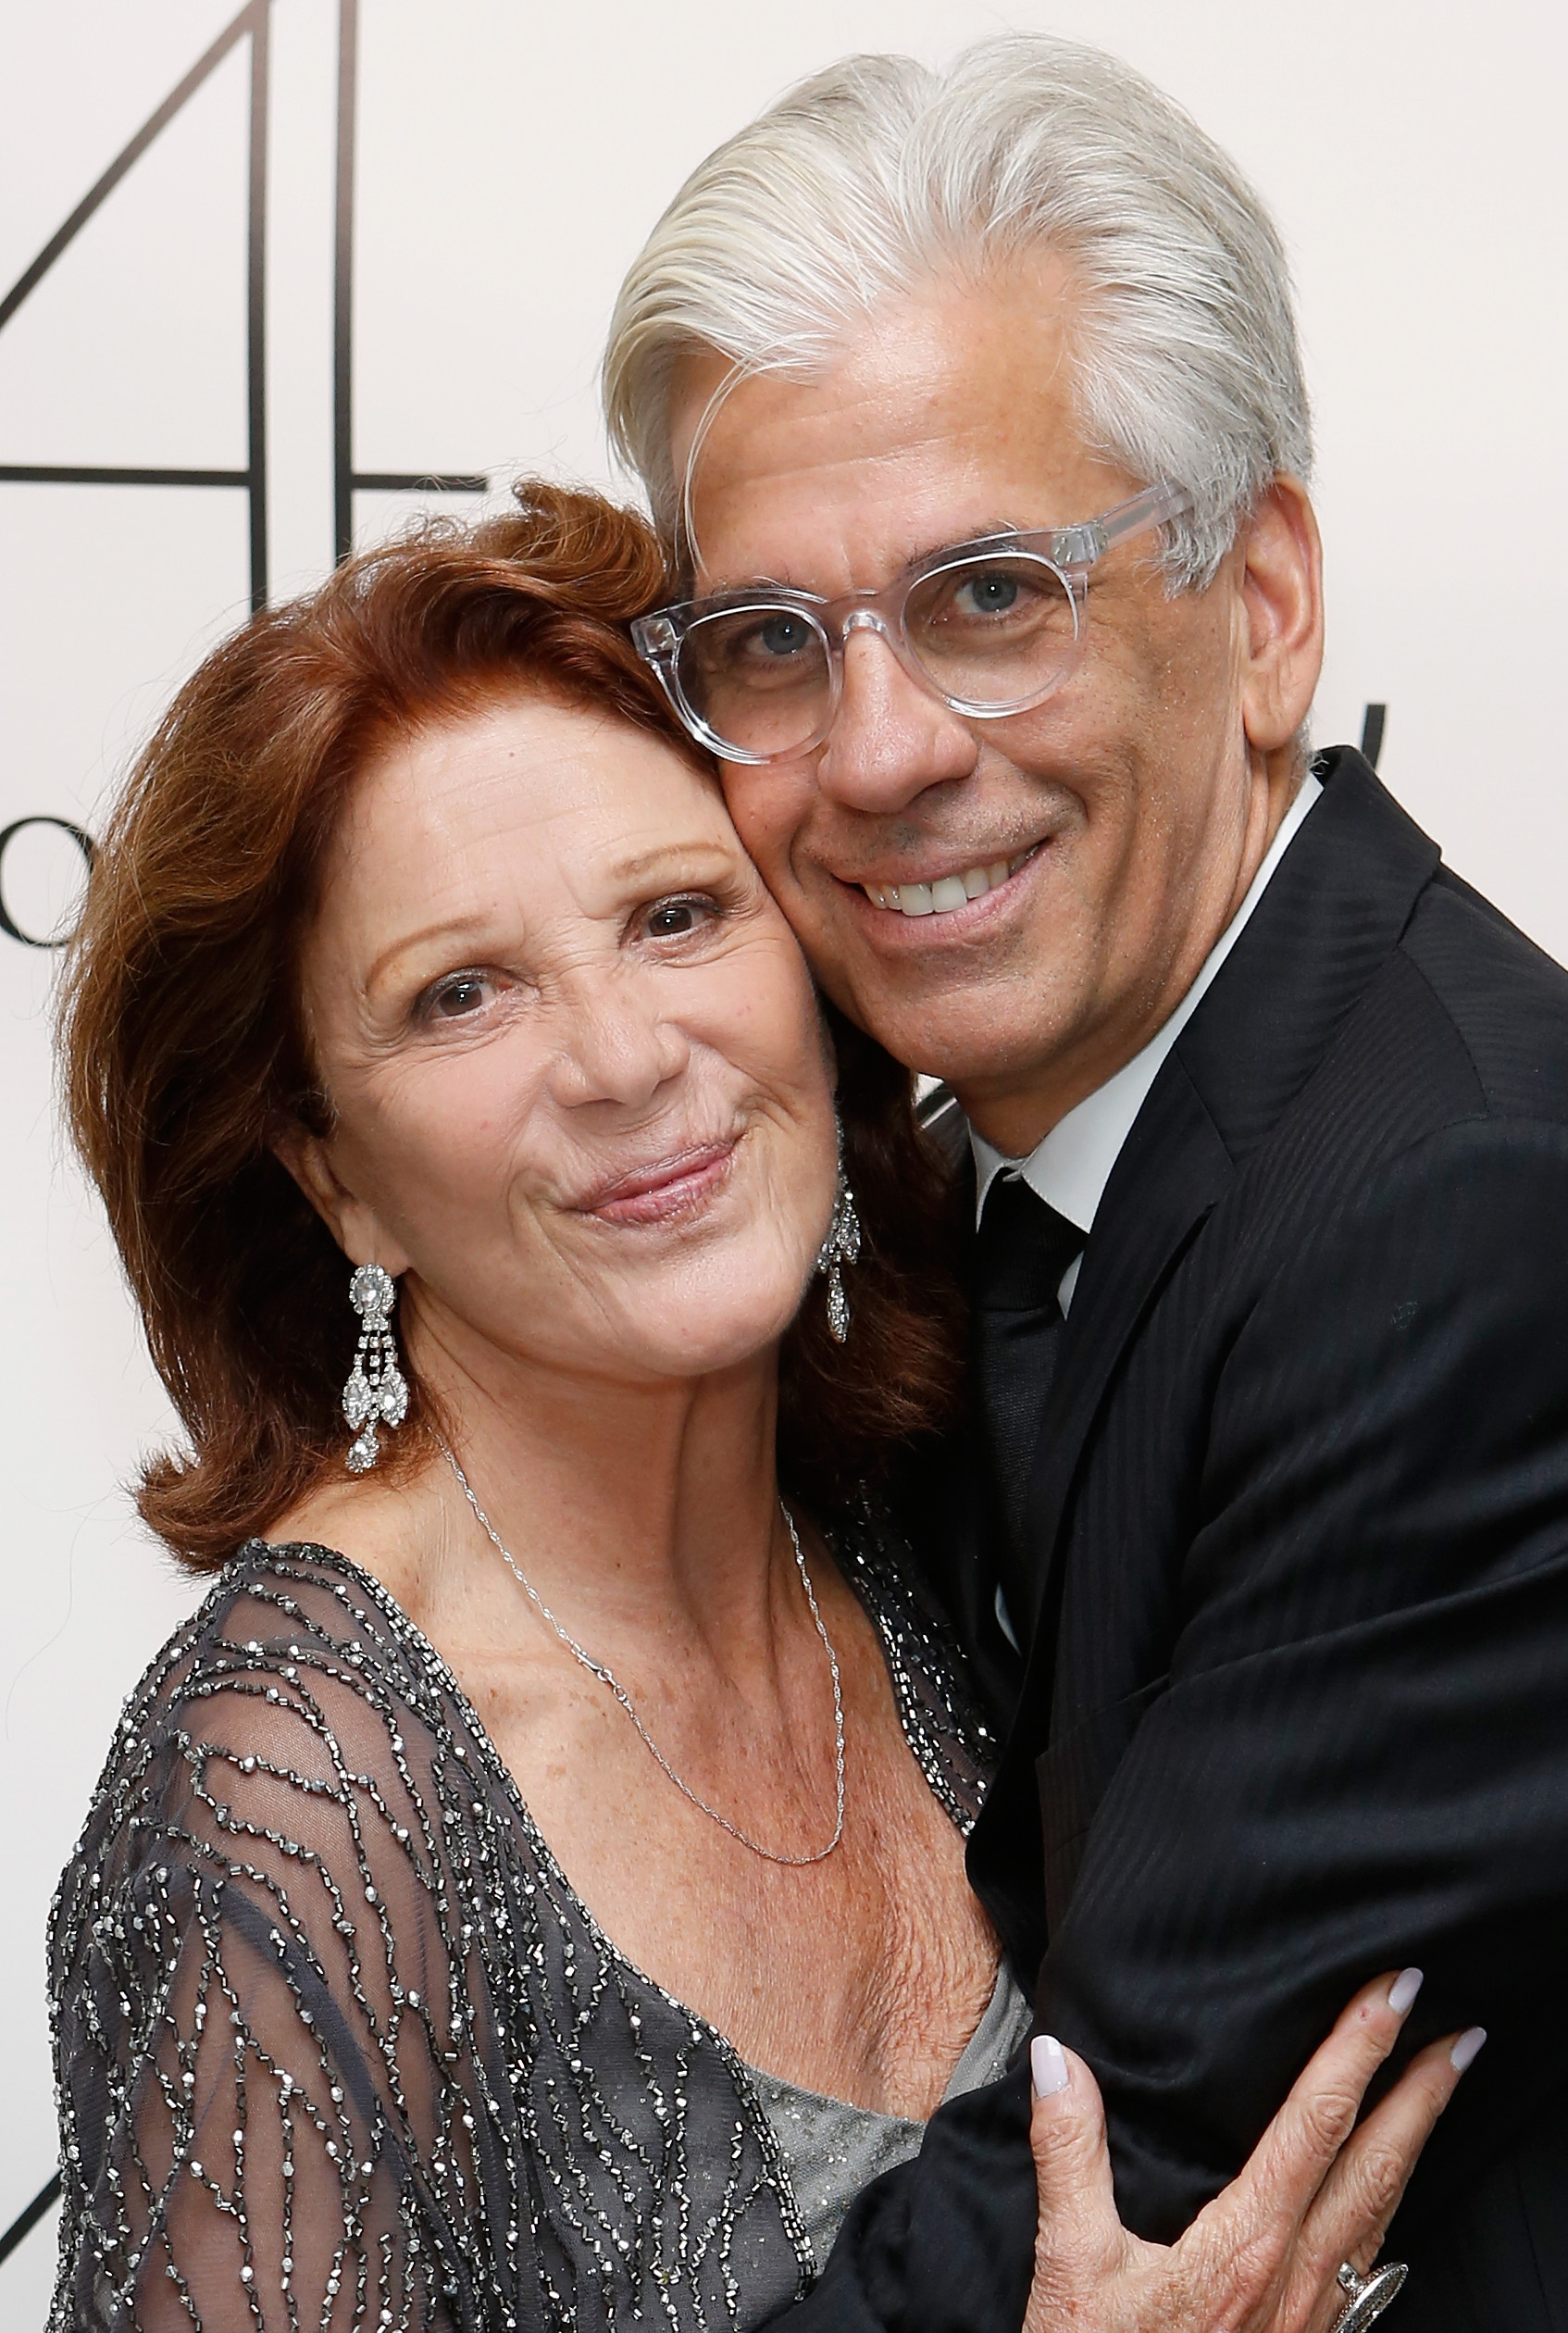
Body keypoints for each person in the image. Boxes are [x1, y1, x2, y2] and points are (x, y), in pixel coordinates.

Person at [47, 490, 1462, 2332]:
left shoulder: (945, 1519)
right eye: (461, 995)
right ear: (338, 1182)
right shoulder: (294, 1791)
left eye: (678, 913)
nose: (627, 1060)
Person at [603, 32, 1568, 2333]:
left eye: (989, 599)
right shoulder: (946, 1168)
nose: (879, 756)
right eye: (770, 643)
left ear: (1259, 611)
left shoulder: (1457, 1212)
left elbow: (1107, 2186)